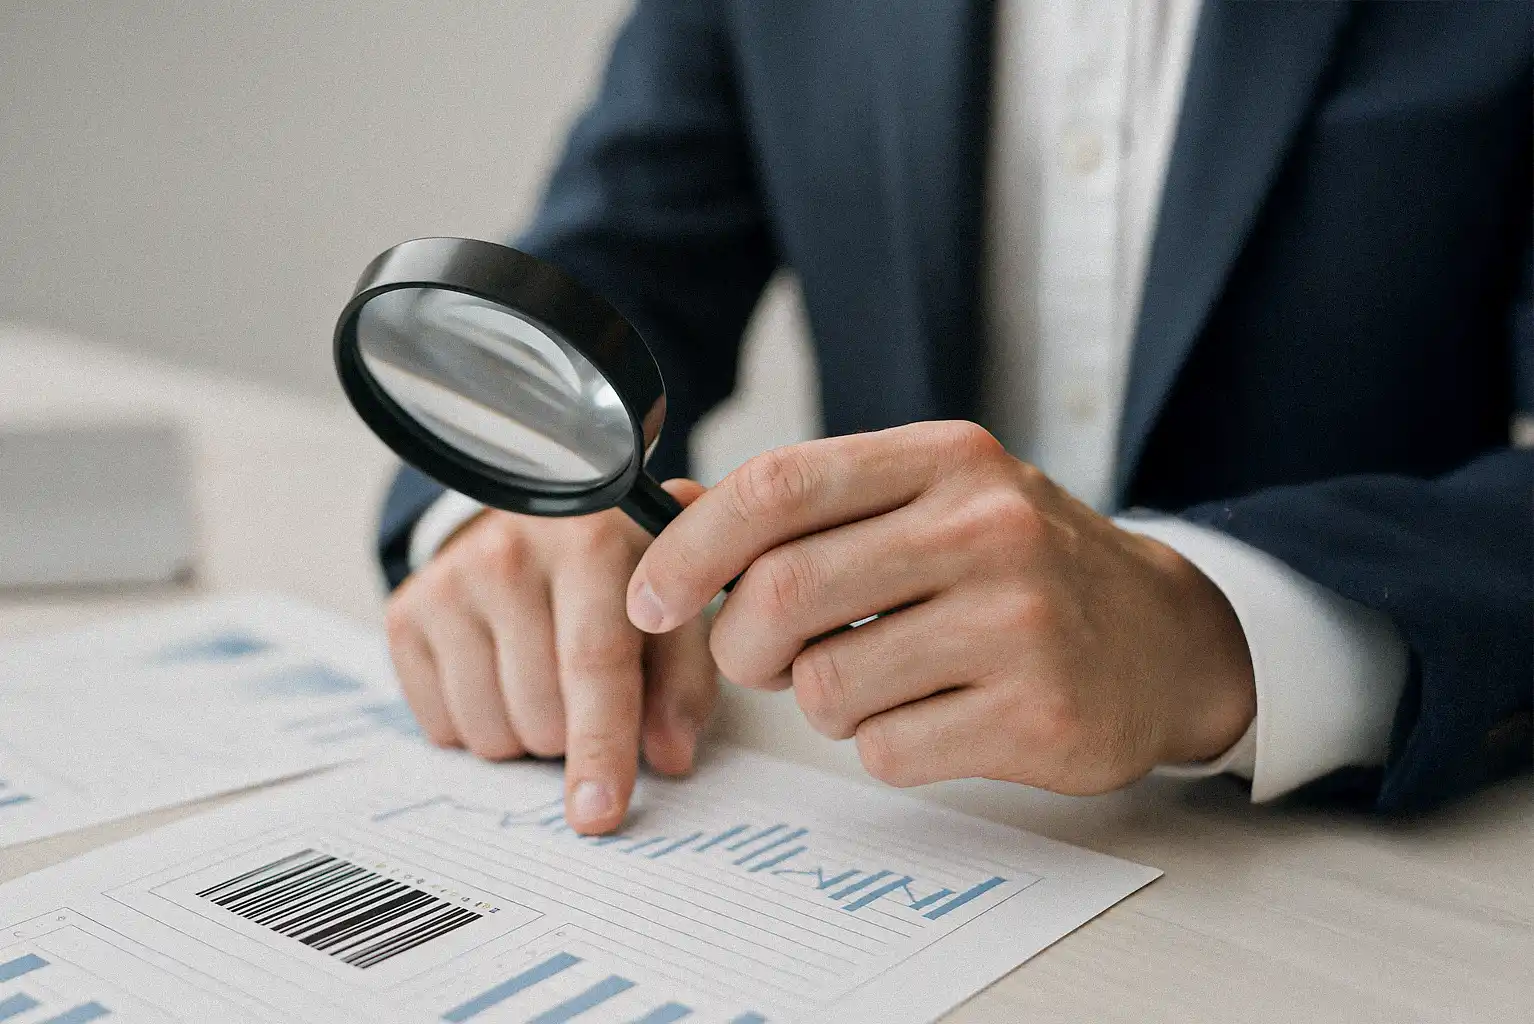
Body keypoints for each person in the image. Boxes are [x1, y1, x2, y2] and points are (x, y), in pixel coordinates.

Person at [376, 0, 1532, 834]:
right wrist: (504, 507)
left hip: (1366, 862)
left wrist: (1215, 628)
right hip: (885, 823)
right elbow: (616, 263)